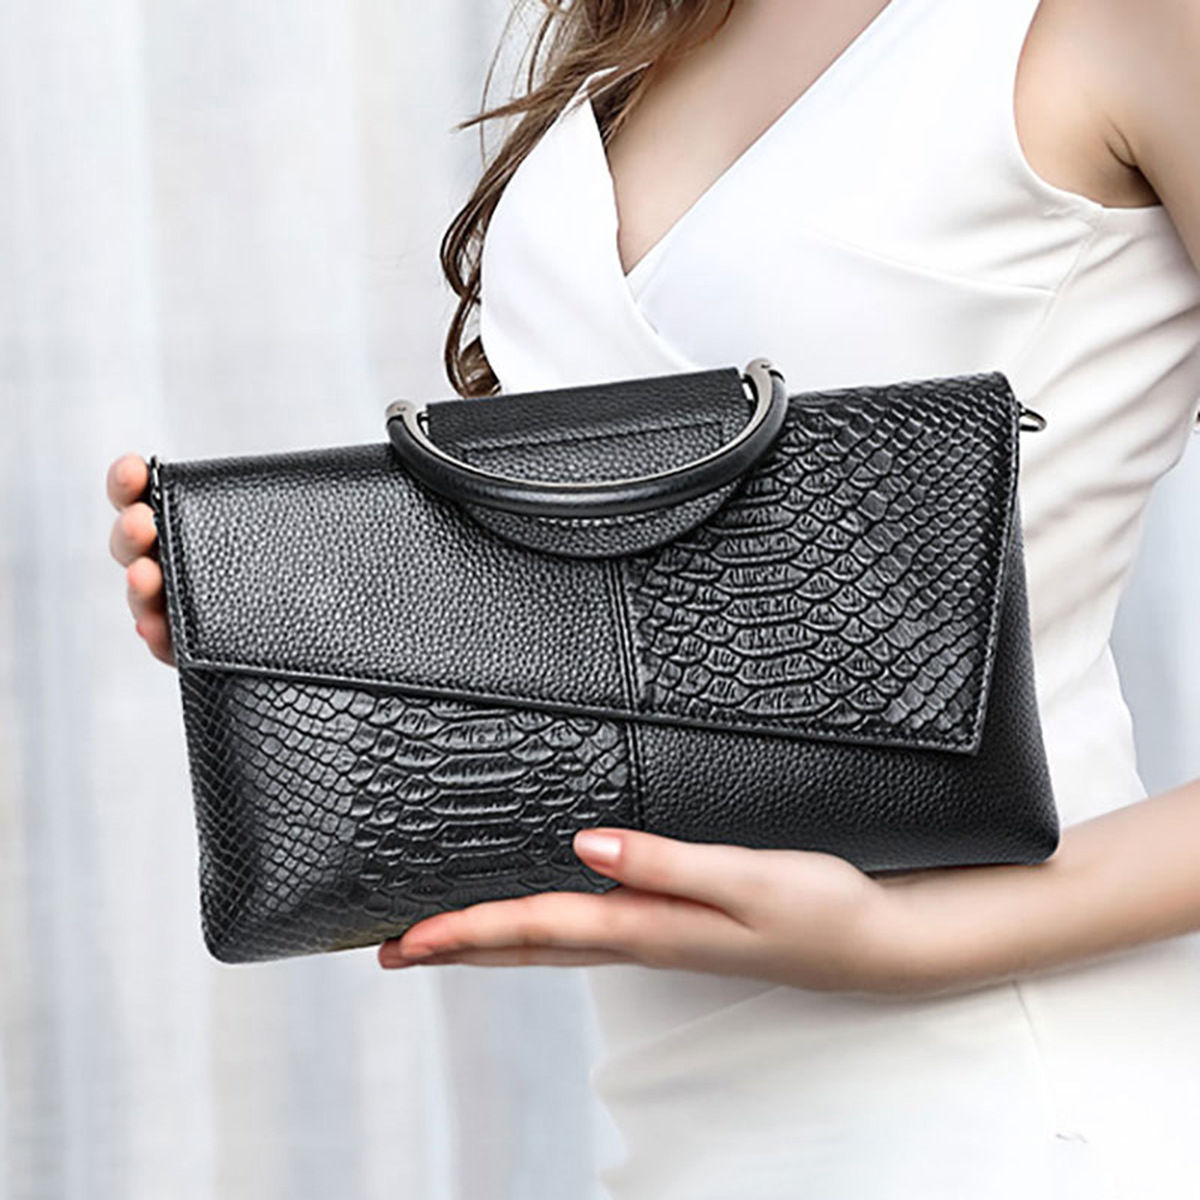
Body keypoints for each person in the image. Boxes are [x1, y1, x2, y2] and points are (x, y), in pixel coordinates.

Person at [108, 0, 1200, 1195]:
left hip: (1015, 1096)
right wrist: (301, 626)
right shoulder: (651, 25)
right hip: (686, 1122)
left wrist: (910, 939)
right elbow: (642, 579)